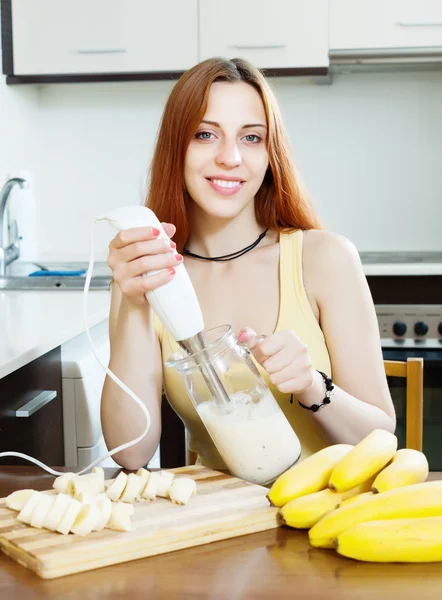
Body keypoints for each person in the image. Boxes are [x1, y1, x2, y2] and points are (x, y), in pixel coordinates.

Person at [101, 57, 396, 471]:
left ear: (270, 153)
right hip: (221, 522)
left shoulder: (326, 258)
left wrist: (312, 385)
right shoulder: (148, 274)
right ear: (176, 148)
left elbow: (382, 438)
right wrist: (133, 303)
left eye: (251, 138)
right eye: (205, 134)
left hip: (326, 515)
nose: (230, 157)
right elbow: (129, 452)